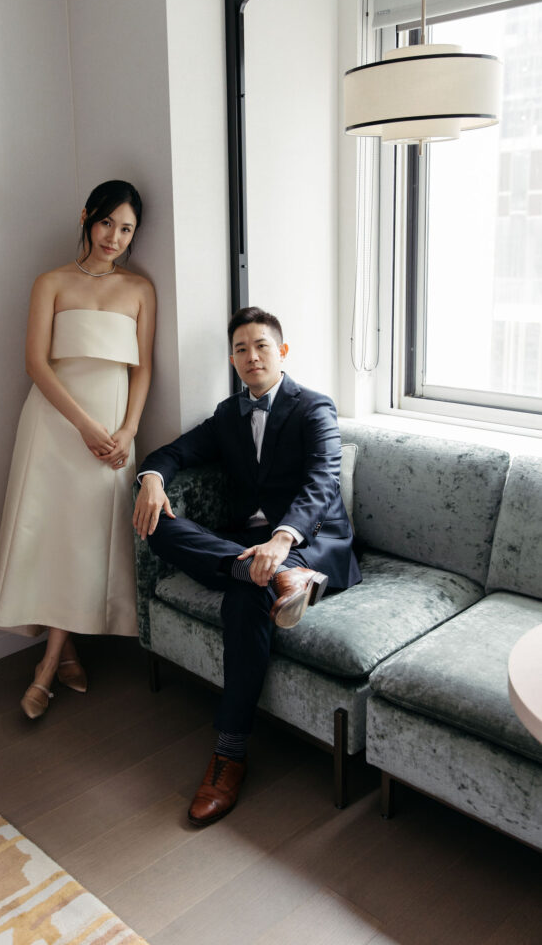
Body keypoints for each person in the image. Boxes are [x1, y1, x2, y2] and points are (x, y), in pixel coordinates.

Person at [132, 306, 361, 825]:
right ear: (233, 359)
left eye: (261, 346)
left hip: (311, 541)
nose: (251, 356)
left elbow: (323, 483)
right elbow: (174, 452)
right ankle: (258, 571)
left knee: (246, 596)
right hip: (251, 545)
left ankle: (229, 754)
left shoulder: (313, 408)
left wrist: (282, 540)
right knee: (155, 523)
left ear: (281, 352)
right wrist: (150, 476)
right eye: (240, 348)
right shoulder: (228, 415)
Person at [0, 180, 155, 719]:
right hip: (57, 427)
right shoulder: (51, 281)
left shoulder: (140, 290)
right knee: (56, 536)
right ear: (87, 216)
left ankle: (52, 659)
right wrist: (84, 426)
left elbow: (143, 368)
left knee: (87, 539)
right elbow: (36, 363)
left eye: (126, 229)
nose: (115, 237)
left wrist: (128, 430)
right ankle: (58, 656)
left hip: (112, 435)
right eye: (107, 223)